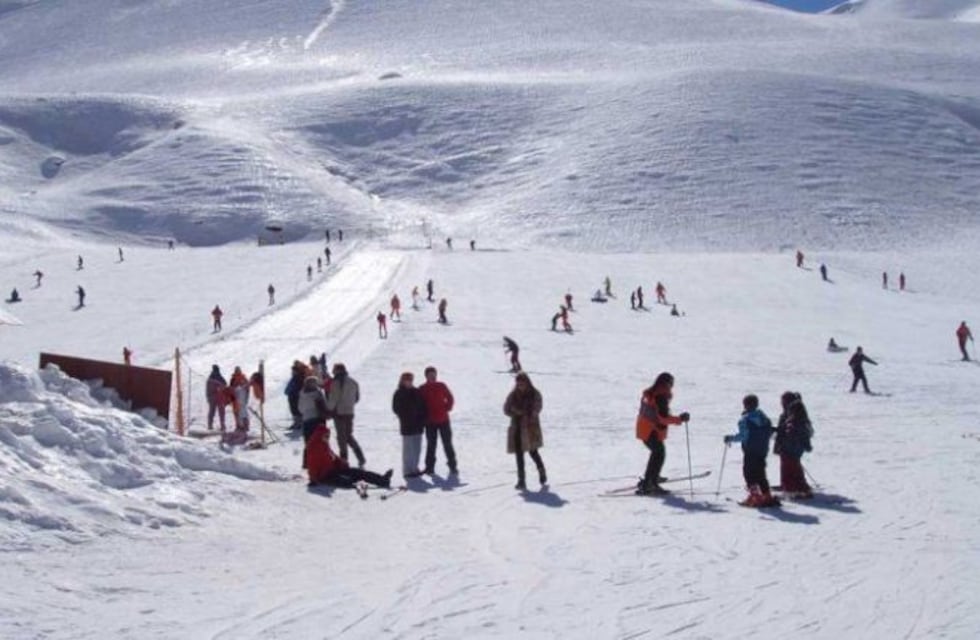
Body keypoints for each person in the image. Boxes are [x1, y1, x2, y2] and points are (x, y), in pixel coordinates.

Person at [635, 372, 690, 495]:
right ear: (667, 383)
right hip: (650, 430)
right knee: (659, 453)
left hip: (644, 428)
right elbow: (663, 418)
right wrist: (680, 419)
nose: (672, 386)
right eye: (671, 383)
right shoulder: (661, 396)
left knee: (657, 453)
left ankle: (651, 478)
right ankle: (650, 483)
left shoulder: (653, 392)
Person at [724, 394, 779, 508]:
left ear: (745, 405)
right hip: (762, 450)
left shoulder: (745, 420)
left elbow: (744, 436)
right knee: (760, 473)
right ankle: (766, 495)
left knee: (749, 473)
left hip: (750, 450)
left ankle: (755, 497)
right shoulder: (765, 418)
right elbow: (769, 432)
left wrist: (730, 438)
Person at [305, 424, 392, 489]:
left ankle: (382, 480)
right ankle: (351, 481)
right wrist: (313, 479)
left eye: (328, 436)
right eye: (326, 436)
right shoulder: (314, 447)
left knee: (359, 472)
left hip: (334, 470)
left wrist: (342, 463)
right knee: (347, 482)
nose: (327, 438)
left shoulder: (324, 444)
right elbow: (312, 465)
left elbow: (333, 457)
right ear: (319, 435)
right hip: (324, 476)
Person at [504, 372, 547, 490]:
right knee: (519, 455)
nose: (520, 386)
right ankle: (521, 480)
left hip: (530, 428)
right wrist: (515, 411)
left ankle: (541, 470)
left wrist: (527, 414)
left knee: (533, 452)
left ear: (527, 383)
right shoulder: (513, 395)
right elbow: (506, 409)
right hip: (517, 428)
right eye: (518, 384)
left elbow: (537, 408)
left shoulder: (534, 394)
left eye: (522, 384)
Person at [773, 391, 813, 499]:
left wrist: (783, 434)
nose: (781, 403)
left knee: (789, 468)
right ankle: (798, 487)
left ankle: (792, 489)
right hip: (791, 447)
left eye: (783, 401)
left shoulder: (794, 417)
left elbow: (791, 432)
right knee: (792, 467)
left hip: (789, 447)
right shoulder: (794, 414)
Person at [419, 366, 457, 475]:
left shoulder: (441, 385)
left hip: (443, 420)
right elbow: (419, 404)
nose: (432, 376)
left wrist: (447, 407)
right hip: (430, 422)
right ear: (426, 376)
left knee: (447, 444)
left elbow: (450, 398)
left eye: (433, 374)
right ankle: (429, 467)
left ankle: (453, 466)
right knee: (431, 445)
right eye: (430, 375)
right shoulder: (422, 388)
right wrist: (423, 416)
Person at [326, 363, 365, 467]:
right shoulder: (353, 382)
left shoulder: (336, 382)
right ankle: (360, 456)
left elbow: (333, 399)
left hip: (339, 413)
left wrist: (328, 410)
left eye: (334, 370)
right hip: (350, 412)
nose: (333, 372)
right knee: (348, 436)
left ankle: (344, 461)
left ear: (337, 370)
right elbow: (357, 398)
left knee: (341, 438)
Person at [392, 372, 427, 478]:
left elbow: (423, 406)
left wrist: (422, 418)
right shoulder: (399, 393)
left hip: (418, 425)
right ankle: (407, 470)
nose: (408, 382)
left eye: (410, 380)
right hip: (407, 425)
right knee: (408, 449)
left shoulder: (417, 392)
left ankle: (415, 468)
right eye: (406, 380)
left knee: (417, 448)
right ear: (402, 381)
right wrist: (405, 415)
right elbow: (396, 408)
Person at [298, 375, 329, 468]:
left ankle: (306, 462)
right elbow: (325, 405)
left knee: (308, 442)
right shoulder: (318, 393)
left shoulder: (301, 394)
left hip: (306, 420)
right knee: (319, 441)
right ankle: (320, 461)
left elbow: (300, 409)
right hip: (317, 419)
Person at [285, 360, 309, 429]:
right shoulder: (297, 377)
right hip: (293, 396)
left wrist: (291, 392)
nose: (292, 372)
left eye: (293, 371)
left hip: (295, 396)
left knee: (296, 410)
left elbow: (297, 387)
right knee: (294, 410)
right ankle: (297, 423)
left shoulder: (298, 377)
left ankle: (298, 423)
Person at [206, 365, 228, 431]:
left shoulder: (210, 378)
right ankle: (222, 425)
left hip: (213, 397)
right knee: (220, 412)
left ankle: (210, 425)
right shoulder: (219, 377)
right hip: (218, 397)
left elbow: (208, 389)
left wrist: (208, 397)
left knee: (212, 411)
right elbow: (225, 385)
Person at [228, 366, 251, 431]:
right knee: (240, 413)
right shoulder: (236, 379)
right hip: (237, 399)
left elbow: (247, 388)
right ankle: (241, 426)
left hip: (240, 399)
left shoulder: (240, 378)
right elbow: (231, 389)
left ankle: (242, 426)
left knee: (241, 412)